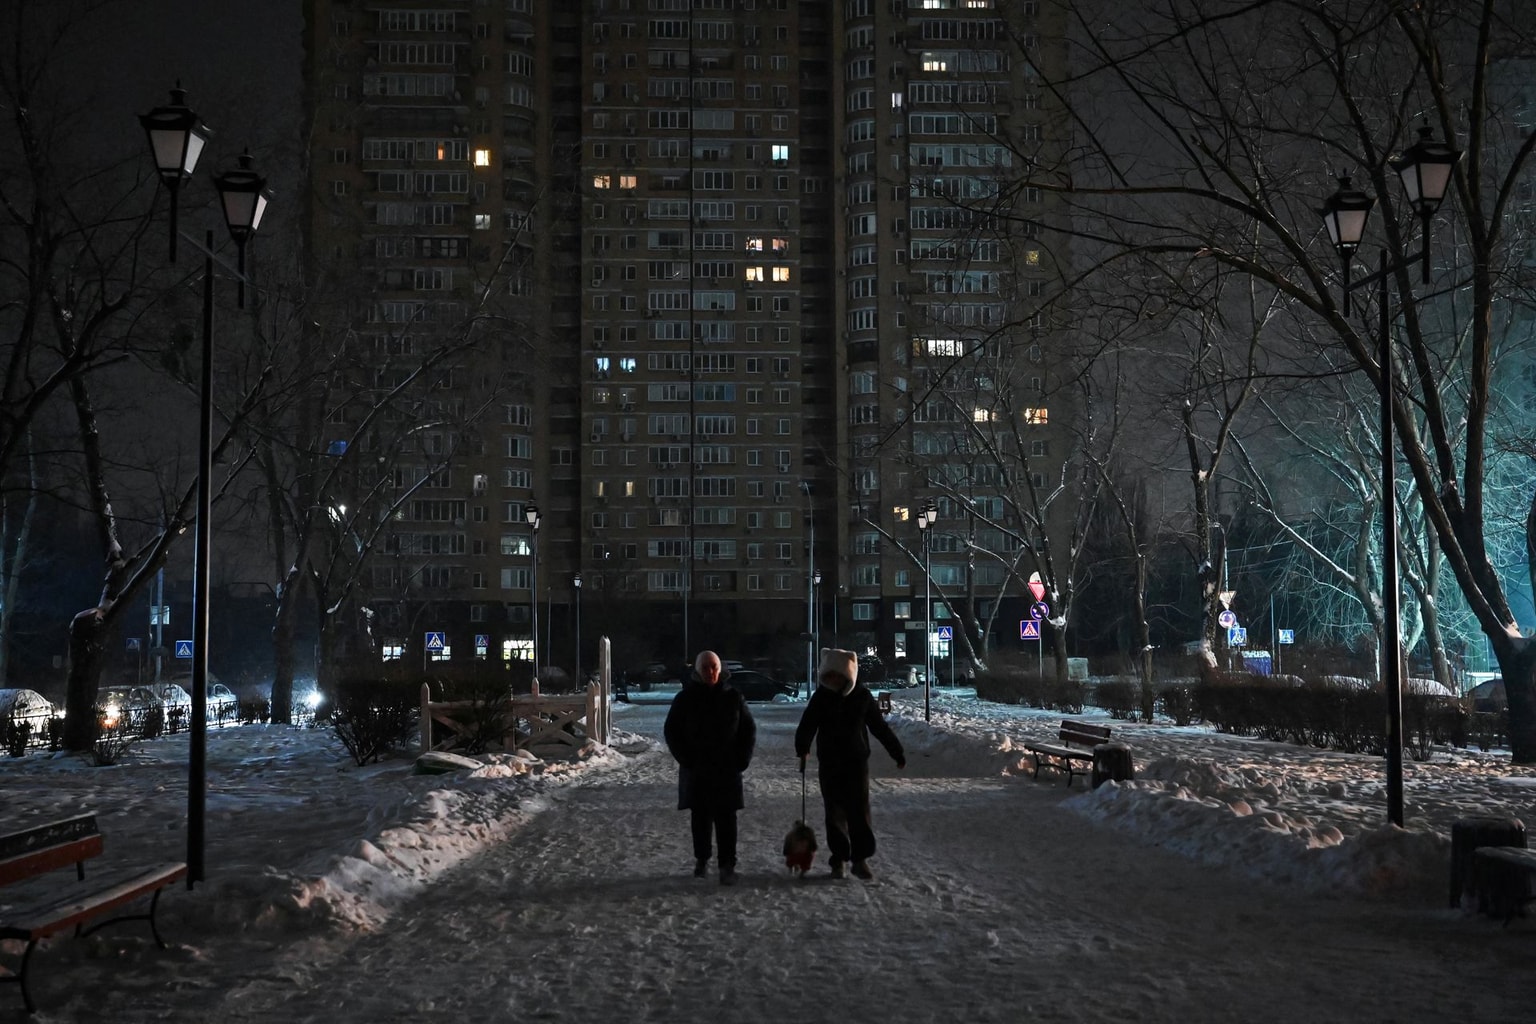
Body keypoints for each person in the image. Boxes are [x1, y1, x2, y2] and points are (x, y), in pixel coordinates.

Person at [794, 648, 905, 881]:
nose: (832, 680)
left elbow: (879, 727)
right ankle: (839, 859)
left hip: (856, 762)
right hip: (830, 762)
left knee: (859, 812)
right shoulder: (821, 697)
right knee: (834, 813)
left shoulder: (862, 696)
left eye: (837, 675)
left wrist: (896, 752)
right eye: (829, 675)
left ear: (847, 675)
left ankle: (860, 859)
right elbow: (808, 724)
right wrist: (802, 748)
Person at [663, 649, 756, 885]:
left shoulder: (733, 696)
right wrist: (686, 759)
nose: (710, 672)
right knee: (701, 818)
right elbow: (672, 731)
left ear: (720, 669)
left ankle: (727, 865)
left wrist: (742, 758)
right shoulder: (685, 698)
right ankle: (702, 860)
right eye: (705, 668)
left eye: (713, 667)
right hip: (698, 769)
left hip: (727, 769)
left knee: (727, 820)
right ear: (697, 670)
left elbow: (748, 729)